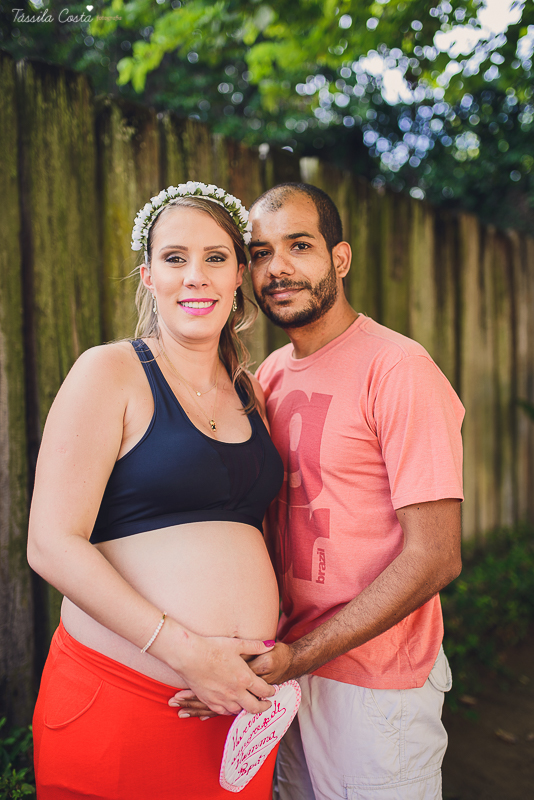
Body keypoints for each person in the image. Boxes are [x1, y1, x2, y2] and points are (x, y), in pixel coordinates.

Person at [175, 182, 464, 799]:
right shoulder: (269, 376)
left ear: (340, 258)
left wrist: (298, 656)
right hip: (284, 677)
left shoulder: (399, 369)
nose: (276, 268)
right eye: (258, 252)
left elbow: (435, 554)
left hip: (376, 686)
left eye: (299, 246)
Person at [28, 182, 285, 799]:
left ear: (240, 275)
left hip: (232, 716)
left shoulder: (252, 393)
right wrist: (190, 652)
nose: (195, 277)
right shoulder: (109, 370)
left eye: (215, 258)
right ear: (148, 276)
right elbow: (51, 544)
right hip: (122, 700)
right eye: (175, 259)